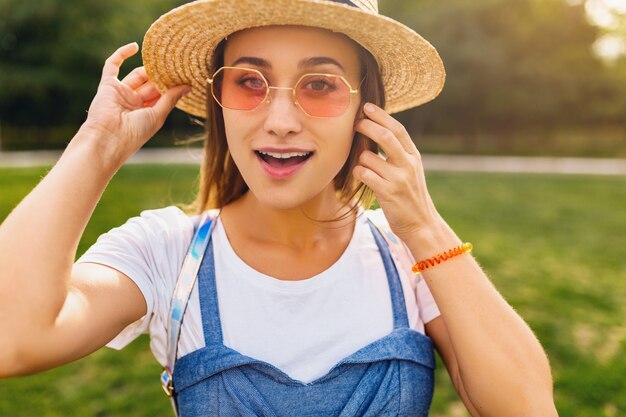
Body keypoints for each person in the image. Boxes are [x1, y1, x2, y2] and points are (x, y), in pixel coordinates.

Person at [0, 0, 558, 416]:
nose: (281, 119)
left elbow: (528, 408)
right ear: (221, 106)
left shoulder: (409, 256)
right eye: (249, 81)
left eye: (319, 83)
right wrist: (97, 145)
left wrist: (426, 230)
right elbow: (13, 338)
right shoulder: (167, 253)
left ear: (367, 108)